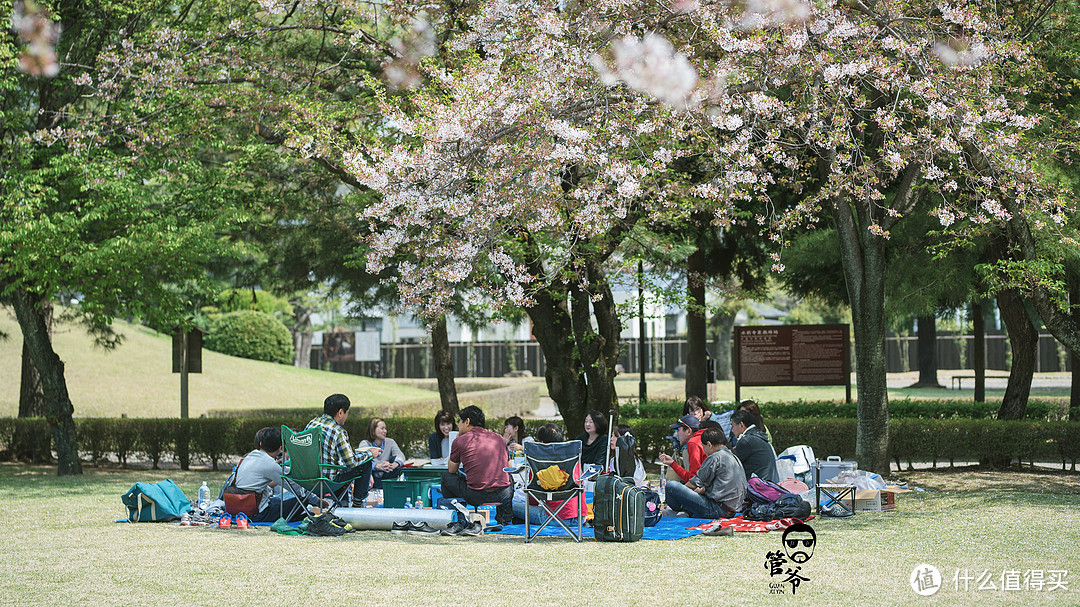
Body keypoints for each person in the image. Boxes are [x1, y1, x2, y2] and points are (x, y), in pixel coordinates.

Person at [441, 405, 513, 526]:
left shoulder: (460, 441)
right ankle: (504, 518)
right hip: (503, 494)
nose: (458, 425)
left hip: (476, 496)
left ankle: (458, 516)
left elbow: (452, 470)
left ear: (467, 421)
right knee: (508, 477)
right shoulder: (499, 438)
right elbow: (509, 466)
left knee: (446, 477)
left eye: (459, 421)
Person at [305, 394, 380, 508]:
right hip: (328, 480)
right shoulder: (338, 431)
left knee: (341, 469)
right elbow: (351, 462)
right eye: (347, 413)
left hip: (307, 479)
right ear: (340, 412)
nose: (346, 416)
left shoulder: (312, 424)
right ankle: (358, 504)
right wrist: (370, 453)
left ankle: (342, 505)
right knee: (365, 463)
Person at [664, 427, 746, 519]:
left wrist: (681, 495)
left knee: (671, 486)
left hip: (717, 510)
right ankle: (686, 510)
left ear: (709, 445)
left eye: (703, 447)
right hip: (731, 510)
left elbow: (692, 484)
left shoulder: (715, 457)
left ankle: (681, 510)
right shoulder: (733, 457)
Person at [512, 423, 587, 525]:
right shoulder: (573, 458)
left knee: (513, 506)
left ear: (542, 443)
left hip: (553, 517)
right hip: (579, 517)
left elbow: (533, 497)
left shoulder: (537, 462)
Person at [232, 427, 306, 522]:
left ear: (260, 444)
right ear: (280, 448)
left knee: (278, 500)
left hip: (240, 508)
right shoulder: (269, 464)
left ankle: (296, 517)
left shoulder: (250, 456)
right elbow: (294, 487)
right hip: (257, 514)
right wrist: (316, 500)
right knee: (303, 500)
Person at [730, 408, 780, 483]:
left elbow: (731, 463)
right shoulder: (757, 435)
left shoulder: (747, 440)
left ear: (741, 425)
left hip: (759, 487)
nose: (732, 430)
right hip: (769, 482)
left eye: (733, 426)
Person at [359, 417, 406, 489]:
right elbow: (361, 461)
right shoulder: (365, 444)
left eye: (385, 428)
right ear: (373, 430)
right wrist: (377, 466)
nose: (385, 431)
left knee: (395, 461)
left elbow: (400, 455)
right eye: (382, 428)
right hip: (373, 477)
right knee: (366, 465)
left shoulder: (390, 442)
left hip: (387, 474)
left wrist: (393, 465)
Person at [658, 414, 705, 483]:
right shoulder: (702, 439)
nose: (677, 434)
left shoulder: (693, 443)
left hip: (706, 492)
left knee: (671, 485)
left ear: (688, 431)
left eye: (678, 430)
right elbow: (692, 478)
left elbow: (694, 482)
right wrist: (672, 463)